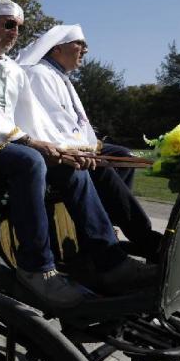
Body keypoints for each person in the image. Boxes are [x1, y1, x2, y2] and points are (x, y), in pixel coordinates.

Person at [0, 0, 156, 307]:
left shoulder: (13, 69)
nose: (13, 32)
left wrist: (62, 149)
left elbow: (30, 116)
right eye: (7, 24)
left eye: (18, 28)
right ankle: (36, 268)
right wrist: (33, 144)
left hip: (7, 140)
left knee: (73, 168)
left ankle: (107, 260)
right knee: (30, 162)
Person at [16, 24, 162, 260]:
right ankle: (144, 238)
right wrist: (81, 150)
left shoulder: (61, 77)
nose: (85, 49)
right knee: (101, 167)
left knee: (125, 156)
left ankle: (109, 224)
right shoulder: (39, 74)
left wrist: (89, 146)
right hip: (51, 149)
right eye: (80, 44)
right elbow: (45, 123)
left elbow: (74, 121)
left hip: (74, 143)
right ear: (57, 49)